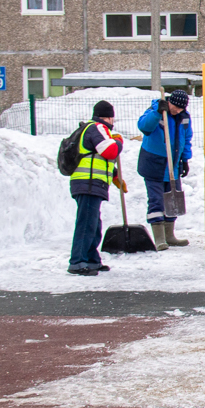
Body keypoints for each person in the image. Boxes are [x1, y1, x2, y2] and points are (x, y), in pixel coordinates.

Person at [68, 100, 124, 276]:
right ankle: (78, 262)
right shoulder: (97, 128)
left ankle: (92, 260)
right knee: (86, 224)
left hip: (91, 183)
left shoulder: (93, 129)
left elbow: (96, 157)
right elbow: (110, 152)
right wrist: (119, 142)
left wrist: (114, 175)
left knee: (93, 223)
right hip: (88, 183)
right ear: (108, 117)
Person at [136, 89, 193, 251]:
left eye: (180, 109)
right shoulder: (156, 111)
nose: (177, 111)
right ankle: (159, 239)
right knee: (156, 200)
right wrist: (157, 113)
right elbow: (144, 127)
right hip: (153, 164)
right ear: (169, 102)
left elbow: (187, 139)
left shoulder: (184, 118)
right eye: (175, 107)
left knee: (172, 201)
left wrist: (185, 159)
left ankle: (170, 236)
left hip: (173, 165)